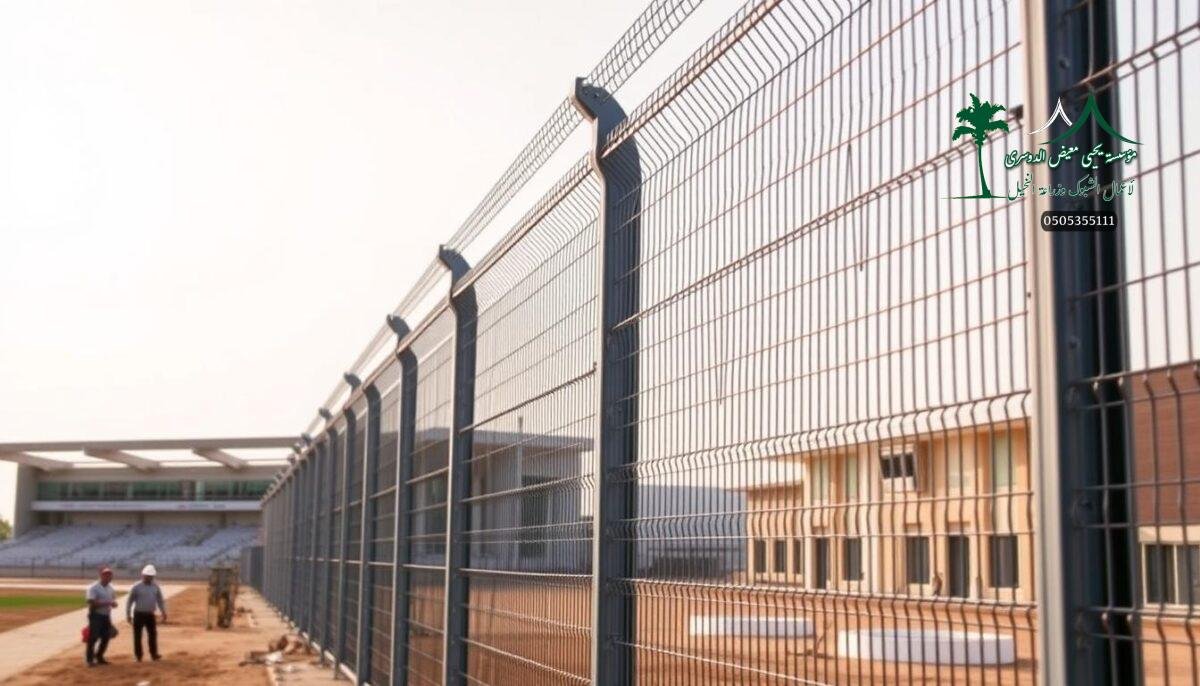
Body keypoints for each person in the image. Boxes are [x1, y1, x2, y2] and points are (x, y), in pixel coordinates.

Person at [126, 564, 167, 661]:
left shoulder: (155, 586)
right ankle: (138, 656)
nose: (149, 578)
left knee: (153, 634)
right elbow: (129, 601)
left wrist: (163, 611)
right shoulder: (136, 587)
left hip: (150, 614)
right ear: (143, 575)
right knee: (137, 636)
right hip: (138, 614)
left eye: (151, 576)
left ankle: (154, 654)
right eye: (147, 576)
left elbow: (160, 600)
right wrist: (128, 614)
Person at [84, 566, 118, 667]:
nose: (108, 577)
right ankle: (89, 659)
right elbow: (91, 602)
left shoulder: (110, 588)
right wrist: (108, 603)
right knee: (93, 638)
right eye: (105, 575)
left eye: (109, 575)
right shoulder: (93, 587)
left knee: (106, 637)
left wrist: (113, 604)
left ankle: (99, 657)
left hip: (106, 615)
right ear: (101, 575)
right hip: (95, 615)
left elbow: (113, 600)